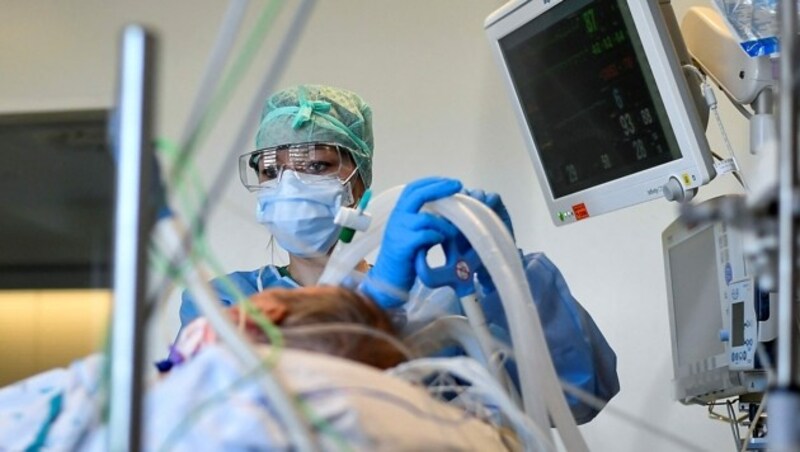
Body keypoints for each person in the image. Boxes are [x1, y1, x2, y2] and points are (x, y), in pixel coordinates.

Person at [179, 84, 619, 423]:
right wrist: (376, 298)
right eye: (272, 171)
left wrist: (503, 273)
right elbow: (229, 414)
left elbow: (579, 396)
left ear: (357, 183)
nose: (290, 186)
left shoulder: (440, 300)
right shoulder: (227, 302)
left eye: (316, 165)